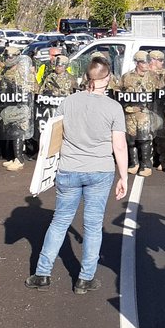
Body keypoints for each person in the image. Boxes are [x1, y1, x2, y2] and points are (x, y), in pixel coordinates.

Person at [25, 56, 128, 294]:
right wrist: (124, 176)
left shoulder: (69, 102)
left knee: (60, 221)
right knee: (92, 225)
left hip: (69, 168)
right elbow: (119, 146)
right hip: (100, 170)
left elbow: (54, 135)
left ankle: (42, 272)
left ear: (86, 77)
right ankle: (85, 278)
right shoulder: (114, 107)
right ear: (108, 78)